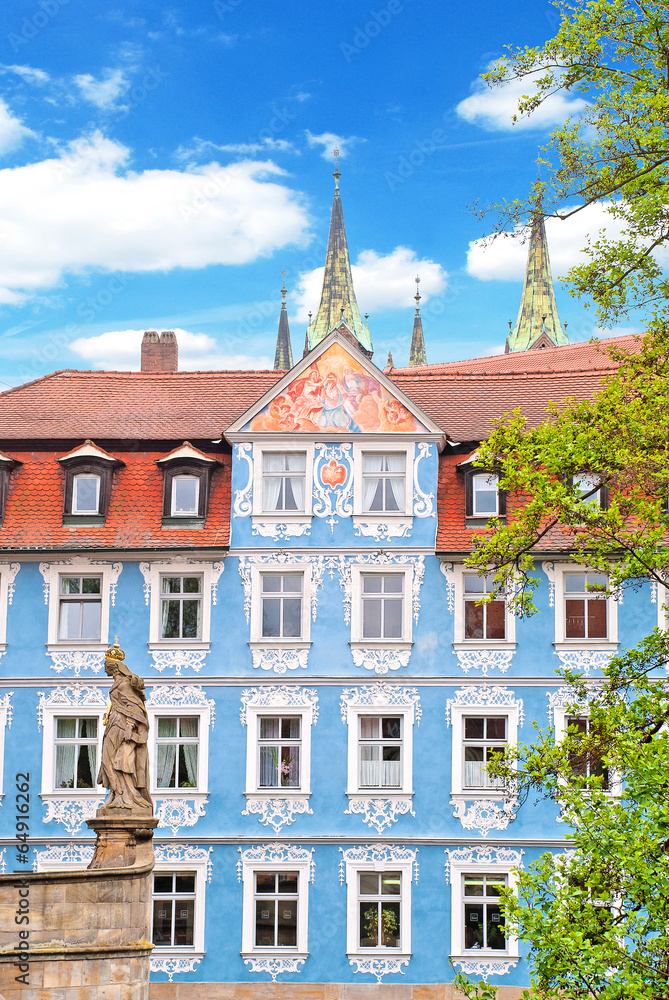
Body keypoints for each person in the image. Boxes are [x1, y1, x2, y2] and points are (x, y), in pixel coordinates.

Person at [98, 638, 153, 812]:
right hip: (113, 724)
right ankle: (116, 795)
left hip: (121, 727)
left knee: (117, 762)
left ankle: (126, 796)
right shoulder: (118, 683)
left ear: (112, 666)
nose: (104, 667)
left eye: (106, 664)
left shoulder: (124, 684)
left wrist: (129, 729)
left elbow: (134, 707)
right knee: (108, 761)